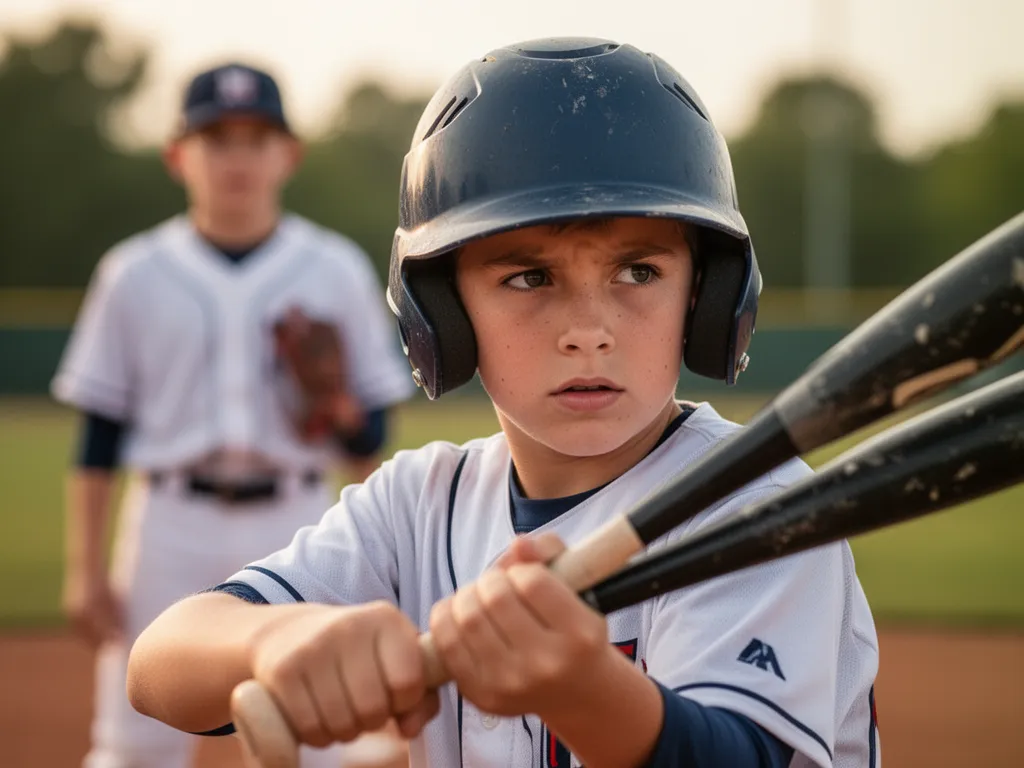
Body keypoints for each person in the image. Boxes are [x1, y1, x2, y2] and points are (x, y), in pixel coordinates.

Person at [125, 39, 881, 768]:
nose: (588, 332)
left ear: (706, 297)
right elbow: (158, 665)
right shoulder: (420, 504)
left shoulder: (758, 507)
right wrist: (275, 641)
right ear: (442, 315)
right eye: (528, 278)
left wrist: (580, 688)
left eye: (639, 272)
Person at [52, 61, 414, 768]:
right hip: (167, 526)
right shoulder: (133, 272)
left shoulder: (333, 267)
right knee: (135, 745)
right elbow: (98, 434)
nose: (238, 156)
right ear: (178, 155)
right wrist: (83, 568)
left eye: (257, 138)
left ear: (289, 154)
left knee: (310, 742)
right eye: (218, 138)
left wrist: (338, 407)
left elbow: (369, 437)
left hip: (295, 519)